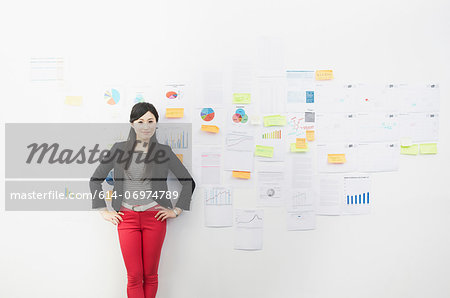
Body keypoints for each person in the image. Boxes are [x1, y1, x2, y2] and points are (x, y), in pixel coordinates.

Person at [89, 102, 196, 298]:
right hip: (126, 217)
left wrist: (176, 210)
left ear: (156, 123)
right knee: (134, 276)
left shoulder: (163, 152)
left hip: (155, 218)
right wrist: (103, 210)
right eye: (140, 121)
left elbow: (188, 182)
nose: (146, 126)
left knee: (151, 275)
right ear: (132, 124)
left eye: (150, 121)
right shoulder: (118, 149)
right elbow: (95, 180)